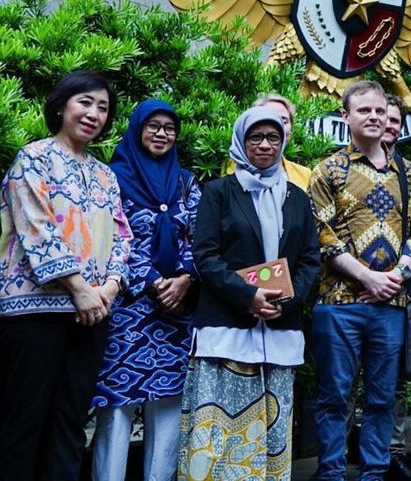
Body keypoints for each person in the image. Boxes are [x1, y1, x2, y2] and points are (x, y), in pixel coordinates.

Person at [177, 106, 321, 479]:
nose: (265, 145)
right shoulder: (219, 192)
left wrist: (286, 301)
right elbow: (206, 256)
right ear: (241, 141)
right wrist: (248, 297)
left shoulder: (297, 198)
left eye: (273, 137)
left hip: (279, 331)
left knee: (272, 434)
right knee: (217, 435)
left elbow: (309, 260)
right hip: (226, 330)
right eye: (255, 137)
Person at [0, 70, 131, 481]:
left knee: (71, 422)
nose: (94, 113)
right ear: (61, 106)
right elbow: (35, 227)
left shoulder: (106, 175)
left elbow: (122, 235)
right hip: (34, 311)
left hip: (91, 314)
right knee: (24, 420)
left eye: (103, 107)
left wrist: (108, 288)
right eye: (85, 102)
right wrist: (79, 289)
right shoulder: (33, 157)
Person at [307, 80, 411, 481]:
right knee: (334, 396)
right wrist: (366, 277)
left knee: (380, 398)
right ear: (346, 117)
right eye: (364, 111)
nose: (374, 117)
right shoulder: (327, 170)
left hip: (389, 305)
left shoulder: (408, 174)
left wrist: (395, 276)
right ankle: (331, 472)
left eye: (380, 111)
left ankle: (374, 472)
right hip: (338, 303)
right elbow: (322, 233)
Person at [91, 99, 201, 481]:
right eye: (152, 125)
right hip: (128, 306)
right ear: (138, 129)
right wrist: (152, 280)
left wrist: (185, 278)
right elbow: (110, 237)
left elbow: (200, 237)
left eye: (169, 127)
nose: (161, 133)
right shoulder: (111, 179)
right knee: (118, 405)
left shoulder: (186, 182)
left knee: (169, 405)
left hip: (177, 311)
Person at [383, 93, 411, 481]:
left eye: (396, 120)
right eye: (383, 117)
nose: (389, 125)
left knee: (393, 384)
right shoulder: (335, 168)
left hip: (395, 291)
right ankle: (336, 459)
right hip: (345, 293)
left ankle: (391, 453)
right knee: (342, 384)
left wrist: (396, 274)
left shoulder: (409, 173)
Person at [226, 93, 312, 190]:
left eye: (283, 121)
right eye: (268, 119)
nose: (276, 126)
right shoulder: (231, 169)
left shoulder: (305, 174)